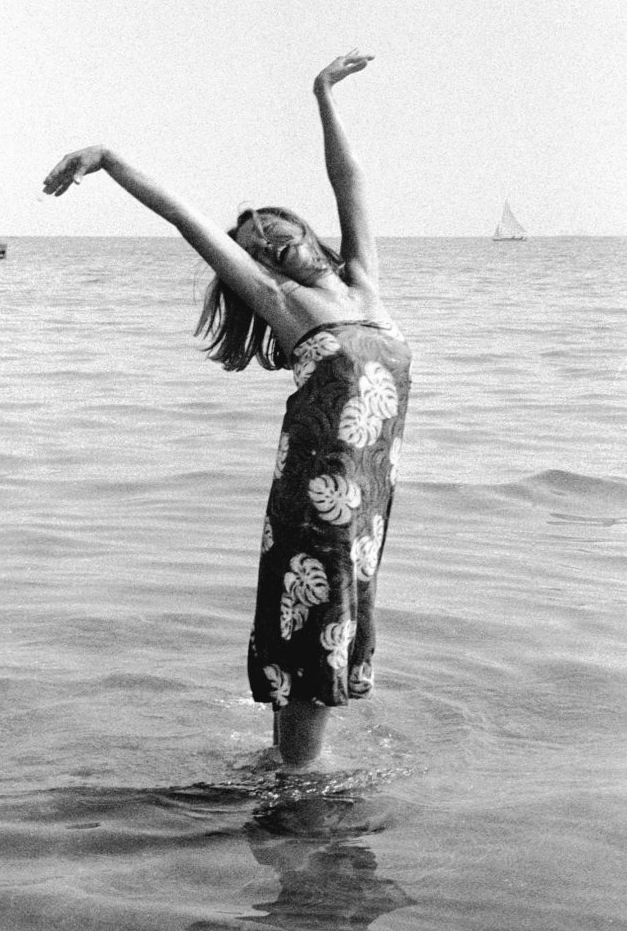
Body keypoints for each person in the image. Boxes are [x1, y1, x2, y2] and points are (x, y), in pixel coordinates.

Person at [42, 49, 411, 771]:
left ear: (306, 231)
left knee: (327, 648)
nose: (263, 235)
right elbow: (187, 220)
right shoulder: (286, 306)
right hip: (315, 504)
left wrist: (323, 94)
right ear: (260, 271)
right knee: (311, 651)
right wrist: (110, 159)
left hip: (364, 510)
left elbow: (352, 180)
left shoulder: (364, 280)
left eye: (270, 224)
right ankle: (296, 811)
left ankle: (286, 797)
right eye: (251, 244)